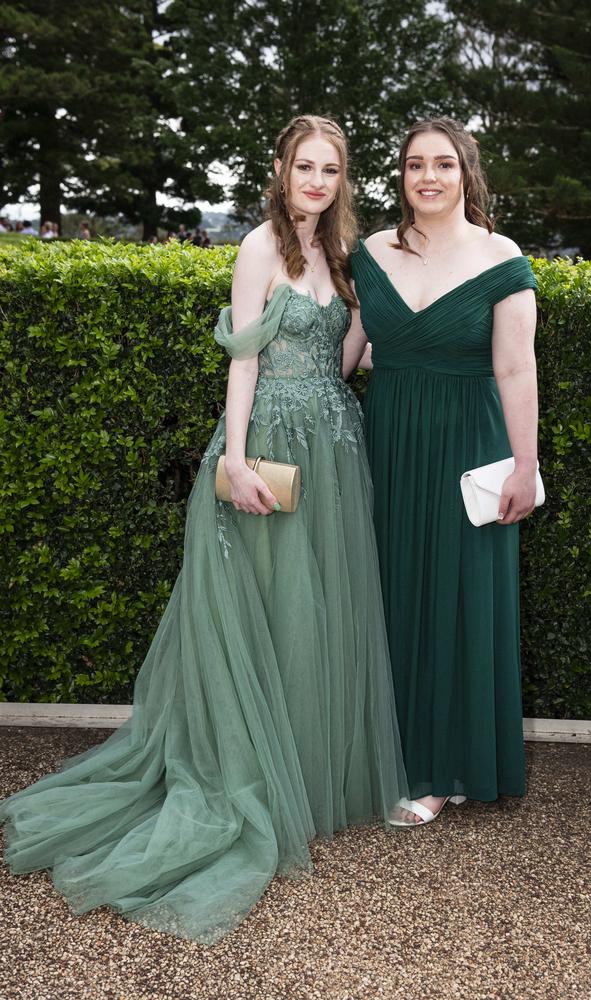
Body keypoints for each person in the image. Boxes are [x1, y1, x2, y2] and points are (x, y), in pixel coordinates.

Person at [0, 114, 407, 943]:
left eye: (331, 169)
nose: (318, 181)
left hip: (333, 453)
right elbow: (245, 361)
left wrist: (386, 312)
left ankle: (308, 778)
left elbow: (347, 362)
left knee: (318, 616)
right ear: (282, 170)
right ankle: (246, 775)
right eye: (306, 167)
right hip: (270, 454)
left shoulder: (345, 258)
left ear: (342, 179)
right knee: (259, 612)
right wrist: (239, 461)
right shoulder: (261, 246)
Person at [348, 116, 538, 825]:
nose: (428, 176)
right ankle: (397, 758)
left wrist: (526, 464)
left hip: (470, 445)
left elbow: (516, 366)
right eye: (414, 164)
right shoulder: (371, 252)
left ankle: (444, 769)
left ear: (466, 172)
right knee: (393, 592)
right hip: (389, 443)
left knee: (462, 598)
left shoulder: (501, 255)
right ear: (400, 176)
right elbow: (351, 351)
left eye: (443, 164)